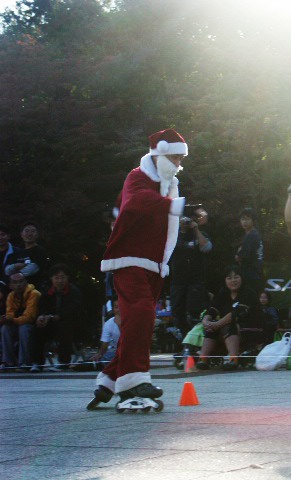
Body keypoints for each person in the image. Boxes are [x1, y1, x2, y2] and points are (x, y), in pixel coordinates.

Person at [90, 128, 189, 411]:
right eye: (175, 157)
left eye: (181, 159)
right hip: (129, 257)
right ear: (159, 153)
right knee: (142, 312)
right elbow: (136, 202)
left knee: (139, 320)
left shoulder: (168, 184)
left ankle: (110, 379)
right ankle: (133, 381)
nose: (179, 164)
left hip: (154, 263)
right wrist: (174, 206)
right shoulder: (137, 176)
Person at [197, 265, 262, 371]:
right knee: (211, 327)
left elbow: (236, 313)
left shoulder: (248, 293)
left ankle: (233, 360)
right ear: (225, 280)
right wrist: (206, 321)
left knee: (227, 325)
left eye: (236, 277)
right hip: (229, 329)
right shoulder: (223, 292)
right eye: (229, 278)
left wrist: (217, 324)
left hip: (251, 329)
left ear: (242, 278)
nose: (233, 280)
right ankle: (203, 359)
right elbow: (213, 309)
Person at [169, 205, 213, 340]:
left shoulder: (199, 234)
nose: (186, 223)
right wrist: (181, 230)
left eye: (189, 220)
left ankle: (196, 340)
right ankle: (184, 338)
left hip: (196, 281)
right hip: (178, 280)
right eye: (184, 220)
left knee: (195, 311)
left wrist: (196, 229)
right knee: (177, 311)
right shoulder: (175, 235)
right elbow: (167, 249)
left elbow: (207, 248)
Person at [31, 264, 84, 372]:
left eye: (62, 277)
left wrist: (56, 317)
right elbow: (42, 307)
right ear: (51, 278)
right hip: (51, 323)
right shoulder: (46, 291)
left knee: (65, 327)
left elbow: (73, 310)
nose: (60, 281)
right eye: (57, 278)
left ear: (67, 278)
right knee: (37, 329)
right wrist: (41, 317)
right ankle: (37, 362)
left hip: (71, 323)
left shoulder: (74, 292)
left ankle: (64, 361)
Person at [0, 273, 40, 372]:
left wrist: (12, 320)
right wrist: (6, 319)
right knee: (5, 328)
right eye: (15, 282)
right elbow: (10, 313)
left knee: (24, 328)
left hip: (34, 326)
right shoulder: (11, 296)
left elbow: (29, 317)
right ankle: (8, 362)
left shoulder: (34, 294)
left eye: (21, 281)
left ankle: (25, 362)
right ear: (10, 285)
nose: (18, 285)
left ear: (26, 282)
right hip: (17, 324)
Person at [4, 222, 50, 290]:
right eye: (27, 231)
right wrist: (16, 266)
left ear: (37, 234)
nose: (29, 234)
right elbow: (7, 270)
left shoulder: (40, 251)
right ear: (21, 234)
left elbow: (34, 267)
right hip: (17, 291)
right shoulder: (18, 251)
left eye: (33, 231)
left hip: (35, 290)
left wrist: (16, 274)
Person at [235, 207, 264, 295]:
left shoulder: (251, 236)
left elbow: (239, 257)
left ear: (253, 220)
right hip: (257, 273)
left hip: (250, 275)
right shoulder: (255, 234)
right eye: (242, 219)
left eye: (247, 219)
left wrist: (238, 253)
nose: (244, 222)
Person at [90, 297, 121, 365]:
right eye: (116, 307)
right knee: (105, 358)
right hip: (117, 352)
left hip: (133, 352)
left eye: (122, 306)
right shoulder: (108, 324)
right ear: (113, 310)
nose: (119, 310)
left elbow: (130, 342)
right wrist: (99, 354)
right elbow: (104, 345)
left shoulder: (133, 321)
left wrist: (120, 326)